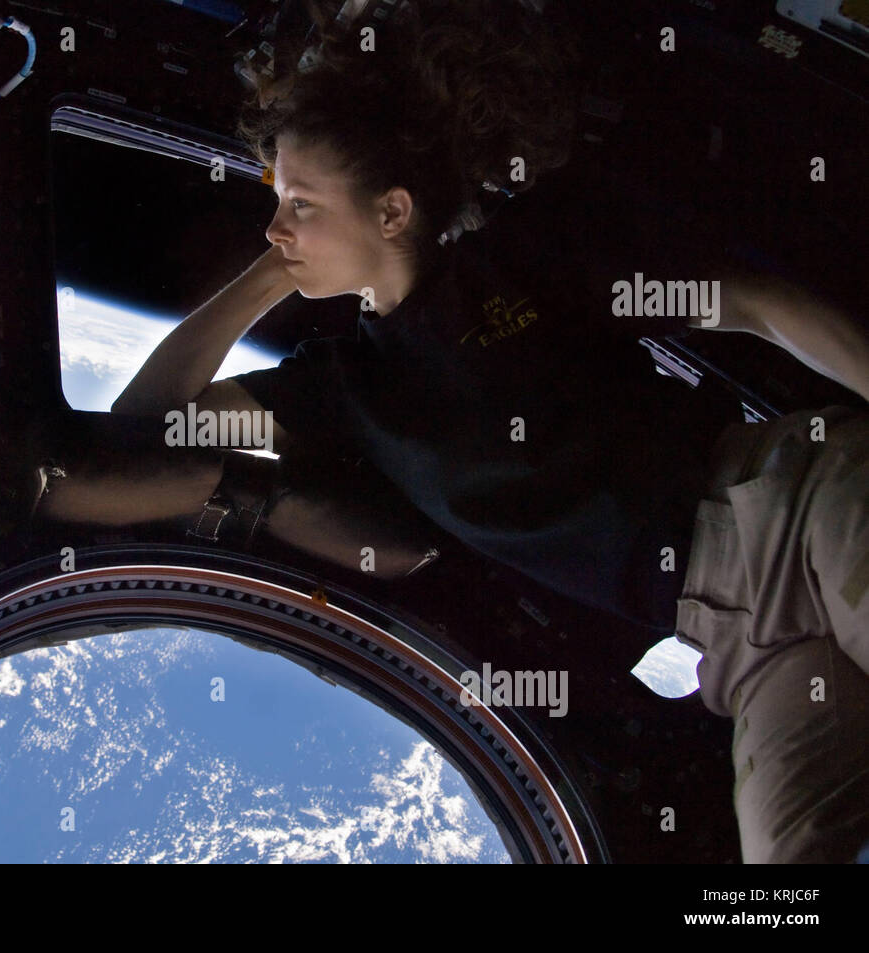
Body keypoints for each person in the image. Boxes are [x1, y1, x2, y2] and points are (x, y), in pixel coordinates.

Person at [51, 0, 869, 861]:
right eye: (275, 201)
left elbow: (759, 308)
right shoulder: (344, 388)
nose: (276, 227)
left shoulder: (525, 259)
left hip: (799, 510)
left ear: (393, 211)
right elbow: (137, 432)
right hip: (740, 642)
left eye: (299, 203)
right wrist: (263, 282)